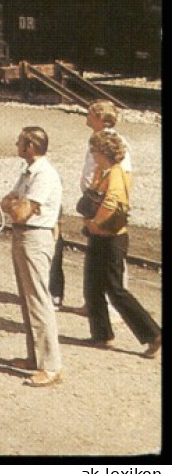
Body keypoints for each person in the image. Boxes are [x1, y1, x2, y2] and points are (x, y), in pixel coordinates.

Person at [80, 130, 162, 359]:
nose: (92, 154)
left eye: (94, 151)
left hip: (111, 237)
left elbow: (112, 202)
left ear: (103, 152)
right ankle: (101, 334)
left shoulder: (115, 173)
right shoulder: (105, 171)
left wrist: (95, 223)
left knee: (115, 289)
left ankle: (153, 333)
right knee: (93, 285)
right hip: (102, 236)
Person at [52, 101, 135, 308]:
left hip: (104, 201)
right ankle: (96, 303)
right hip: (94, 199)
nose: (86, 117)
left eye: (90, 114)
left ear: (100, 117)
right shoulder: (98, 139)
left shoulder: (113, 141)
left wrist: (104, 200)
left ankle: (111, 304)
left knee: (111, 258)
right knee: (97, 255)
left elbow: (122, 175)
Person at [0, 126, 65, 386]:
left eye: (19, 141)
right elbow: (9, 201)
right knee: (27, 300)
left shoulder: (43, 175)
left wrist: (16, 205)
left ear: (29, 146)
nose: (16, 144)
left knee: (38, 299)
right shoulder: (27, 172)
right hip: (22, 235)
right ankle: (34, 357)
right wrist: (16, 205)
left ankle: (51, 365)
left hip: (35, 236)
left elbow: (17, 212)